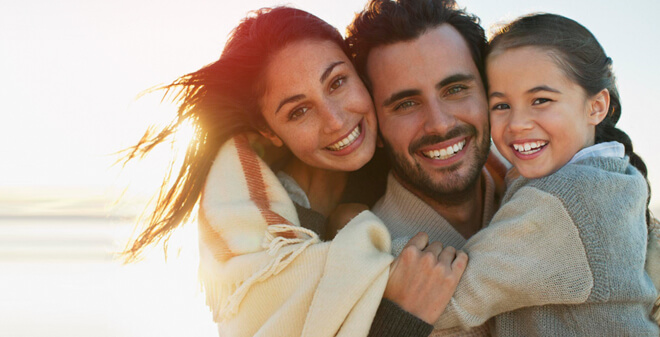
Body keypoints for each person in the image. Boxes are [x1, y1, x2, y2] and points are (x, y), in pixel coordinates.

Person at [121, 6, 465, 337]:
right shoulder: (267, 244)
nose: (335, 120)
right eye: (299, 111)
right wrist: (398, 320)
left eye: (337, 83)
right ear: (271, 132)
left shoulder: (412, 145)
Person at [419, 13, 657, 335]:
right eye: (501, 105)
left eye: (540, 100)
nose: (517, 123)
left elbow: (445, 298)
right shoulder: (614, 178)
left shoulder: (566, 203)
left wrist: (362, 239)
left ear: (596, 106)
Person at [346, 0, 504, 335]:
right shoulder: (363, 272)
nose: (439, 124)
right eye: (406, 104)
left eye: (456, 89)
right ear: (374, 127)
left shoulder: (548, 191)